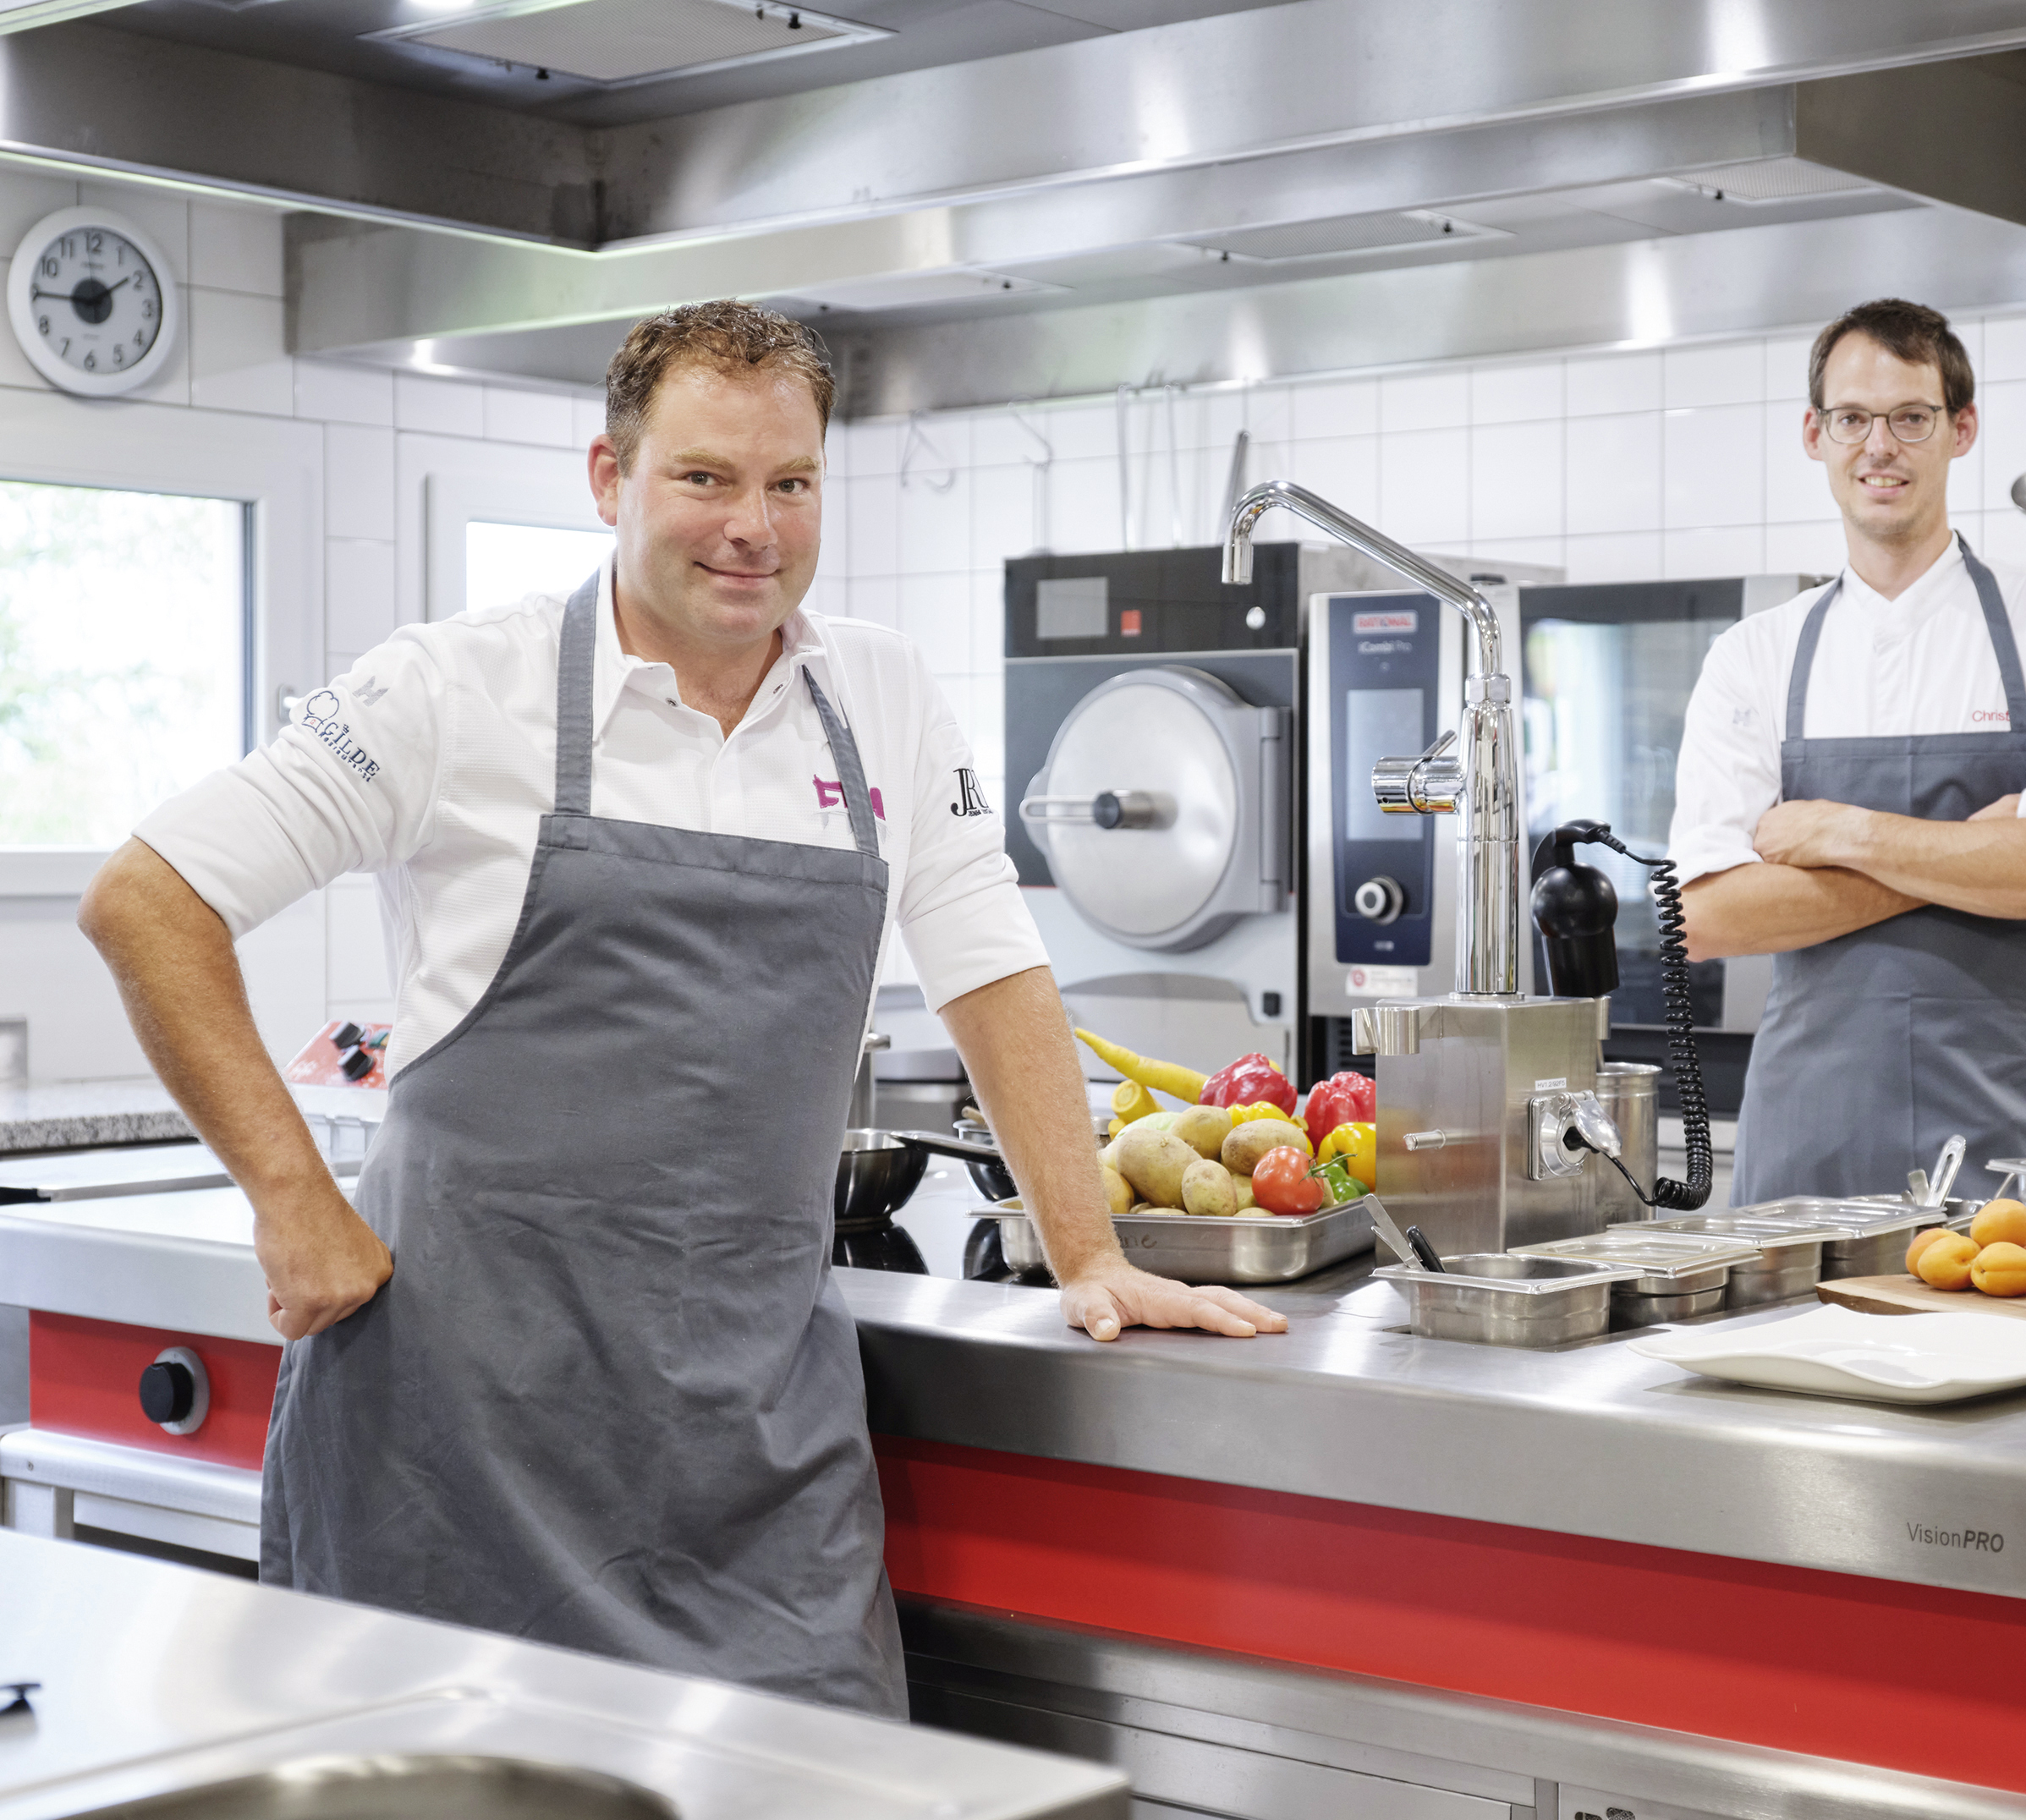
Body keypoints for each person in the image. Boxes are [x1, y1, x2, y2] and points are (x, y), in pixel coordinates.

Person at [77, 301, 1284, 1717]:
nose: (751, 528)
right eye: (704, 478)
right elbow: (148, 900)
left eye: (791, 484)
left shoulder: (877, 692)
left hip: (753, 1452)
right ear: (610, 478)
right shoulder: (457, 685)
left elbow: (992, 964)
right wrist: (290, 1195)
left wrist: (1086, 1249)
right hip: (457, 1433)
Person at [1668, 298, 2026, 1203]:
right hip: (1802, 1166)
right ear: (1814, 434)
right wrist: (1985, 848)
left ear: (1960, 430)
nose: (1877, 445)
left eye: (1910, 418)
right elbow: (1710, 916)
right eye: (1851, 418)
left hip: (2011, 1161)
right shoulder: (1754, 656)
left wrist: (1841, 830)